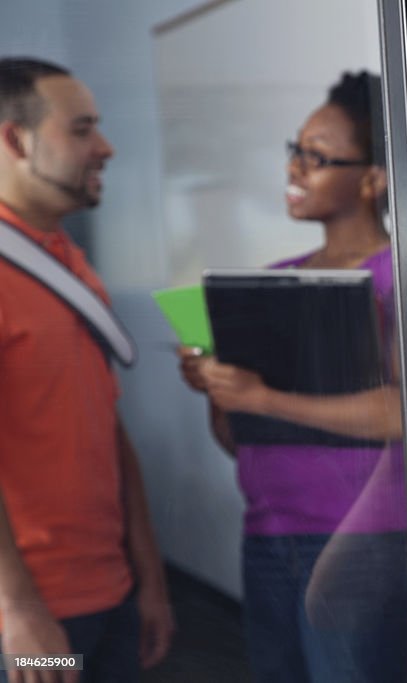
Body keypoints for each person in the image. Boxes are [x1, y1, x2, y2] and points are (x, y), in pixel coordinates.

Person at [178, 71, 407, 683]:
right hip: (265, 534)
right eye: (296, 151)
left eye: (317, 156)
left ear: (372, 179)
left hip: (361, 544)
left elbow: (403, 414)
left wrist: (265, 396)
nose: (295, 169)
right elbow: (239, 441)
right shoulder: (273, 276)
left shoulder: (401, 277)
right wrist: (217, 389)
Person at [0, 58, 174, 682]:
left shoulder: (69, 262)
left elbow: (106, 425)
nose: (105, 147)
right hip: (31, 619)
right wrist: (16, 611)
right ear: (15, 140)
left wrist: (149, 578)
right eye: (81, 130)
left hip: (110, 594)